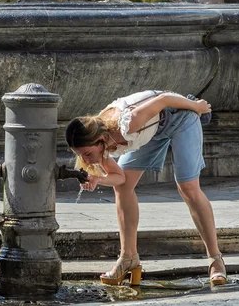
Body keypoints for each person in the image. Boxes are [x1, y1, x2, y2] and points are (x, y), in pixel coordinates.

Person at [65, 90, 227, 287]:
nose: (87, 160)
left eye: (88, 154)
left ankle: (215, 260)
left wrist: (197, 107)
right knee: (124, 187)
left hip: (180, 116)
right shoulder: (101, 140)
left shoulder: (127, 124)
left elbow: (164, 99)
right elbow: (119, 178)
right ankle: (128, 259)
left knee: (187, 187)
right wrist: (97, 179)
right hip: (152, 129)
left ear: (100, 141)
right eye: (82, 156)